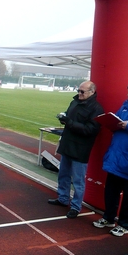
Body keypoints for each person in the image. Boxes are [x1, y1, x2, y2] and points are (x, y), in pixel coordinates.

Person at [48, 80, 104, 218]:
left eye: (82, 92)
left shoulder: (96, 109)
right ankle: (62, 198)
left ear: (92, 92)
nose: (79, 93)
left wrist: (70, 123)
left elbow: (91, 130)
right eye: (78, 90)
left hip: (81, 149)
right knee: (63, 174)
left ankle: (76, 206)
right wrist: (63, 118)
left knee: (78, 181)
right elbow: (69, 116)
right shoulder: (74, 102)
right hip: (68, 144)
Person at [93, 84, 128, 237]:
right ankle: (109, 218)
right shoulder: (125, 105)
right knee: (111, 192)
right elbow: (117, 120)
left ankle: (124, 224)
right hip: (116, 156)